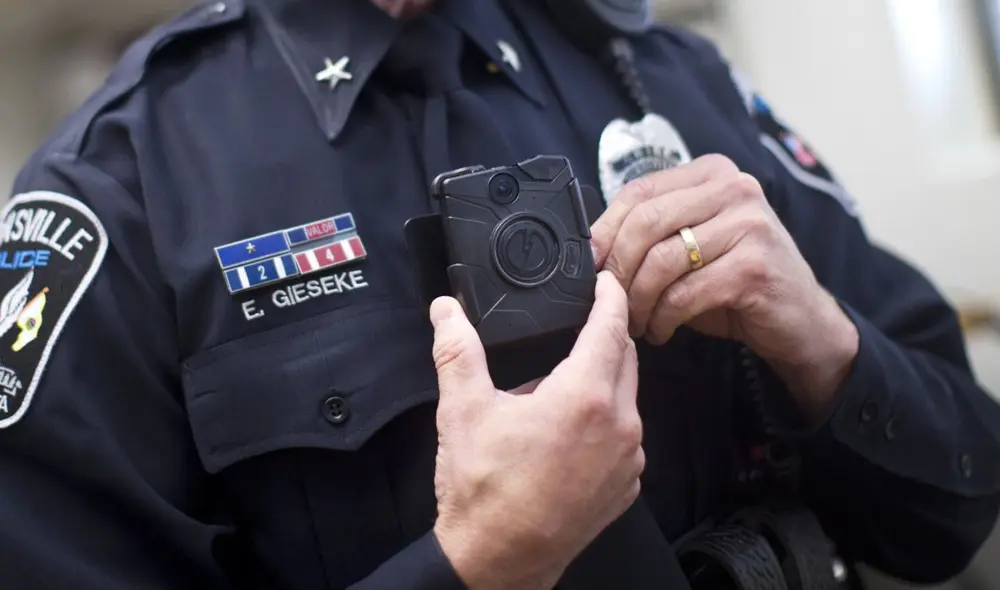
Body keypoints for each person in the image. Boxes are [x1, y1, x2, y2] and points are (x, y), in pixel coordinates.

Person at [1, 0, 998, 587]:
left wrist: (822, 348)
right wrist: (477, 563)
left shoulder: (667, 74)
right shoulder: (122, 182)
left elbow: (959, 497)